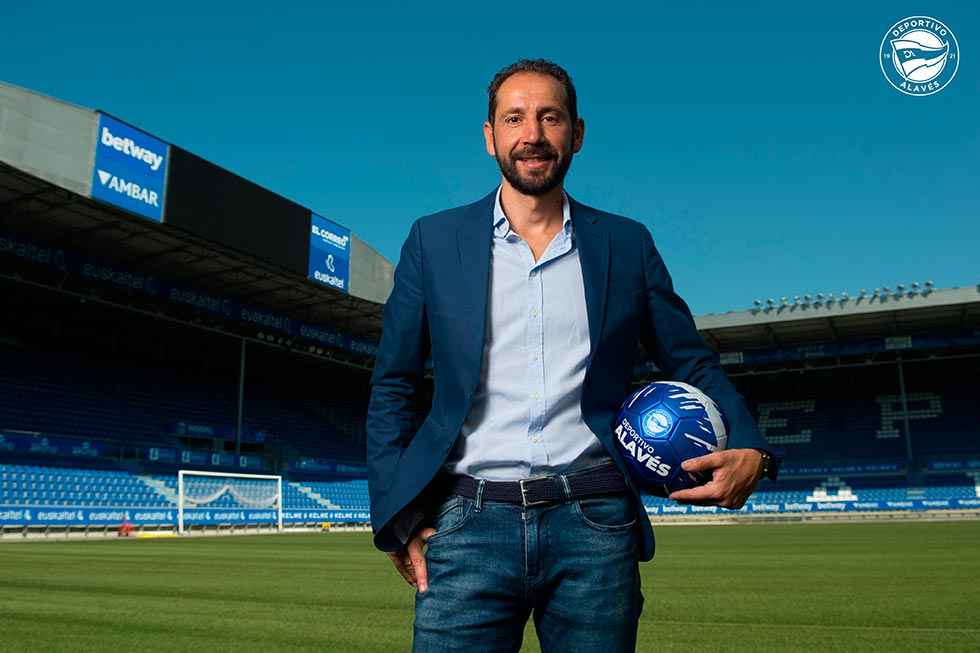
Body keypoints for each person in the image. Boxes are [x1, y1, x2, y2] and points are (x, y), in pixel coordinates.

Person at [367, 58, 778, 652]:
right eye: (514, 118)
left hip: (595, 523)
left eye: (549, 117)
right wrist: (396, 518)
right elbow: (393, 386)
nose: (531, 134)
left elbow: (691, 361)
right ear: (490, 137)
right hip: (466, 523)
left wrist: (754, 448)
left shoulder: (626, 243)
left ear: (576, 133)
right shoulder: (433, 240)